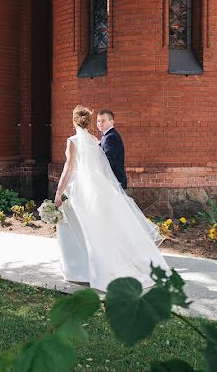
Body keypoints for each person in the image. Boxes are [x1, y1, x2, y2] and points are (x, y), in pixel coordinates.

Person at [53, 106, 167, 291]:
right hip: (95, 189)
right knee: (95, 228)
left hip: (80, 189)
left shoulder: (72, 141)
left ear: (74, 120)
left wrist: (59, 191)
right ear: (89, 122)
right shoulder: (93, 140)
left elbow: (69, 167)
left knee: (77, 226)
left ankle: (79, 270)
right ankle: (90, 268)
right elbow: (101, 168)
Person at [97, 109, 127, 189]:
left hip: (114, 182)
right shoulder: (107, 136)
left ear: (111, 122)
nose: (100, 123)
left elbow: (108, 161)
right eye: (98, 121)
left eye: (103, 121)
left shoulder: (111, 137)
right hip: (113, 181)